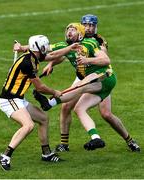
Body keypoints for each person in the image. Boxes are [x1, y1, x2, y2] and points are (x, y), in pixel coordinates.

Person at [43, 15, 140, 153]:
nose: (89, 28)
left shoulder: (98, 40)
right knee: (66, 107)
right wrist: (52, 63)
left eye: (92, 25)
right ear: (81, 26)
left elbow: (105, 59)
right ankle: (64, 144)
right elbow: (65, 53)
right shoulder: (76, 37)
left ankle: (129, 140)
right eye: (86, 25)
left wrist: (87, 60)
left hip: (100, 76)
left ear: (96, 27)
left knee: (106, 114)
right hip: (82, 77)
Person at [0, 35, 80, 171]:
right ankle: (5, 156)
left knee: (43, 118)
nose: (46, 49)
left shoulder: (34, 56)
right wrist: (55, 92)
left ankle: (46, 154)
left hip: (18, 99)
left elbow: (53, 56)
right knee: (28, 125)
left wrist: (70, 48)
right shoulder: (28, 63)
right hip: (9, 100)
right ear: (39, 48)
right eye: (45, 46)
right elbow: (40, 88)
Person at [33, 23, 117, 151]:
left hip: (105, 76)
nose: (69, 32)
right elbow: (46, 51)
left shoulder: (91, 43)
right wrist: (23, 48)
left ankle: (49, 103)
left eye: (73, 30)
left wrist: (87, 60)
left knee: (81, 88)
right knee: (79, 109)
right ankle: (96, 138)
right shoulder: (66, 46)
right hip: (93, 81)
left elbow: (106, 61)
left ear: (80, 34)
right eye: (68, 30)